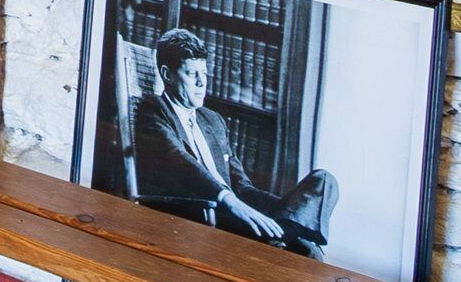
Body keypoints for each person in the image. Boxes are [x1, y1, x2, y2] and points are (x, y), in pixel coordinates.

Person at [126, 30, 334, 255]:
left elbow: (242, 186)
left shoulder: (213, 121)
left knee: (323, 182)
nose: (201, 82)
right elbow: (179, 161)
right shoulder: (154, 110)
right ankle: (286, 231)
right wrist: (229, 200)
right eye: (191, 73)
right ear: (168, 75)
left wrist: (280, 208)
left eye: (204, 72)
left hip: (235, 213)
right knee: (306, 249)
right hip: (202, 215)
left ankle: (285, 229)